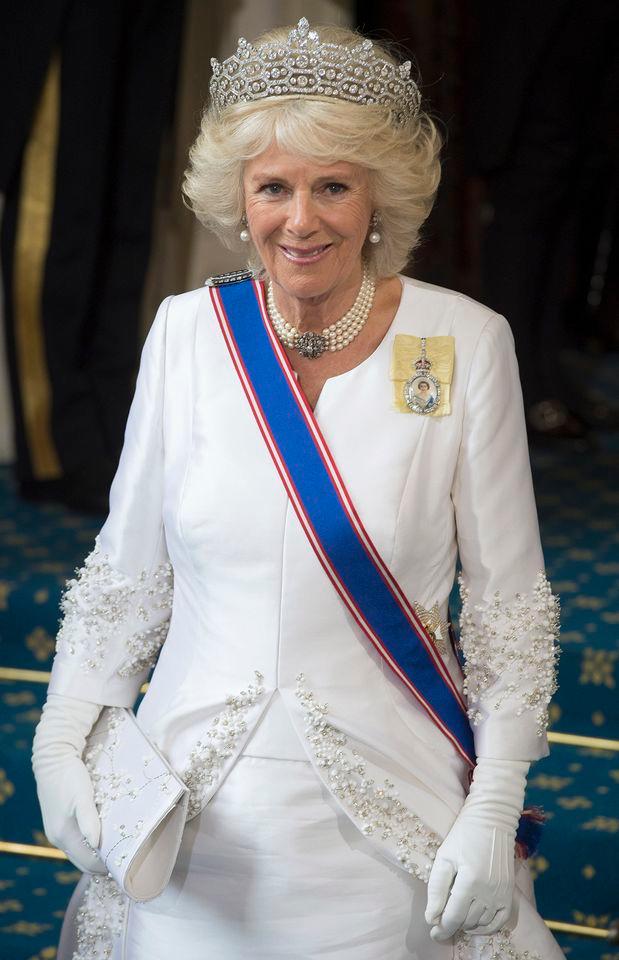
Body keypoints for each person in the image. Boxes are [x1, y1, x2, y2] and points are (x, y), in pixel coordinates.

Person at [31, 19, 563, 960]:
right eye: (273, 187)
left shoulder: (465, 343)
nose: (300, 219)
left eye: (332, 186)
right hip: (186, 810)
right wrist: (63, 729)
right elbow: (124, 579)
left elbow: (507, 612)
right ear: (238, 197)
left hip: (385, 806)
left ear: (378, 197)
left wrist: (495, 804)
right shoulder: (185, 335)